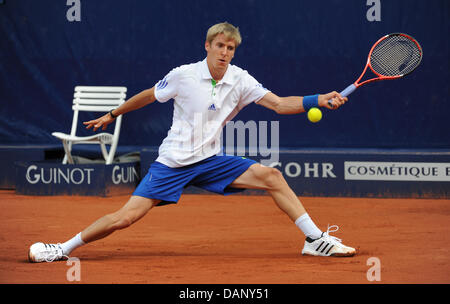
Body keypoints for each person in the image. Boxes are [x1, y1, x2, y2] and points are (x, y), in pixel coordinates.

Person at [28, 22, 355, 263]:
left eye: (231, 48)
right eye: (220, 46)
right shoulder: (183, 75)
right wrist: (113, 113)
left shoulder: (241, 80)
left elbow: (280, 104)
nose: (225, 53)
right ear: (208, 46)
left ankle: (314, 239)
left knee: (272, 176)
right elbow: (148, 96)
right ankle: (63, 248)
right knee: (125, 218)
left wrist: (317, 99)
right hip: (172, 162)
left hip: (211, 160)